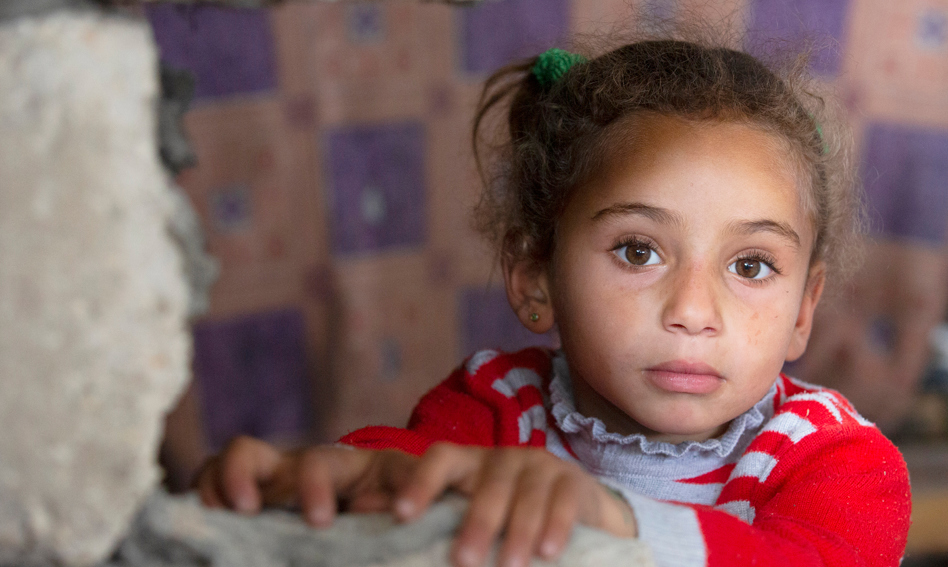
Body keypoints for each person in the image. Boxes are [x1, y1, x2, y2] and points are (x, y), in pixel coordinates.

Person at [195, 35, 911, 567]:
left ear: (804, 309)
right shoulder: (497, 403)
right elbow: (409, 472)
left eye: (751, 265)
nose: (694, 311)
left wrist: (608, 517)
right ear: (535, 274)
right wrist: (333, 476)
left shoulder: (841, 461)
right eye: (639, 251)